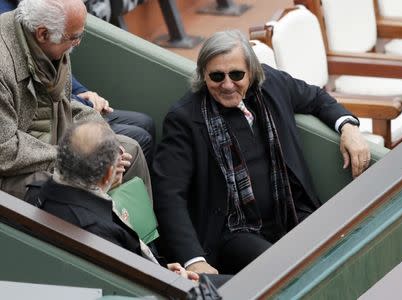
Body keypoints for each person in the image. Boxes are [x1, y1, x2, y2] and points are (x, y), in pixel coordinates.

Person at [152, 30, 371, 275]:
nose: (227, 84)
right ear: (203, 75)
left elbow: (316, 98)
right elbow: (168, 194)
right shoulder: (185, 118)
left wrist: (348, 127)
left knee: (343, 244)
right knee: (284, 271)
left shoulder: (273, 85)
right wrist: (194, 260)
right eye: (216, 76)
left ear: (252, 72)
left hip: (290, 210)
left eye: (236, 74)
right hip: (234, 232)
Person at [0, 0, 151, 199]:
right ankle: (105, 227)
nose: (78, 42)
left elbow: (65, 104)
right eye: (75, 37)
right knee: (83, 186)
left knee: (129, 152)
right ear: (43, 34)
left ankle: (137, 229)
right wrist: (73, 158)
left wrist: (105, 139)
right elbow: (5, 151)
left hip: (52, 145)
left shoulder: (49, 44)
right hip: (14, 174)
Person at [38, 120, 198, 282]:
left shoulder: (38, 193)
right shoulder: (101, 231)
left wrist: (161, 269)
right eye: (117, 162)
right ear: (108, 174)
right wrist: (176, 281)